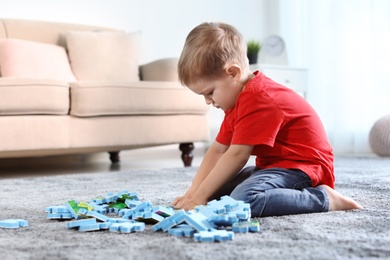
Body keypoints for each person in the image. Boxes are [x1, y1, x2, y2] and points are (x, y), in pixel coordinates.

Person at [172, 22, 361, 217]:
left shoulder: (259, 98)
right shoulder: (236, 101)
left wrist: (200, 197)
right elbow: (218, 150)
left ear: (233, 73)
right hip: (274, 166)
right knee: (214, 192)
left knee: (242, 200)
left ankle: (324, 198)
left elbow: (237, 156)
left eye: (210, 93)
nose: (208, 102)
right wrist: (194, 193)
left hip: (303, 167)